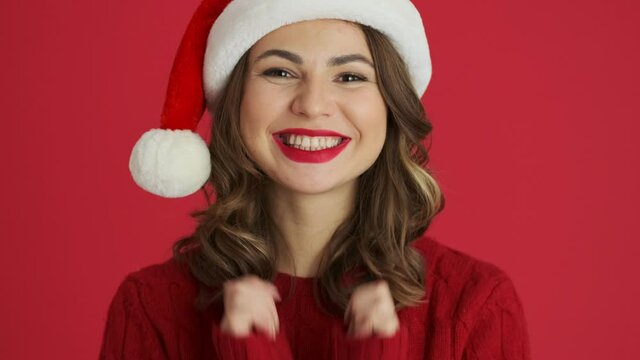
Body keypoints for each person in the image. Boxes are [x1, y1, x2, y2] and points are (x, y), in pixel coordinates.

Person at [100, 0, 532, 359]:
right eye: (280, 72)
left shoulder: (475, 307)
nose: (313, 104)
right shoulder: (150, 308)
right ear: (235, 101)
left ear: (390, 106)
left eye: (350, 76)